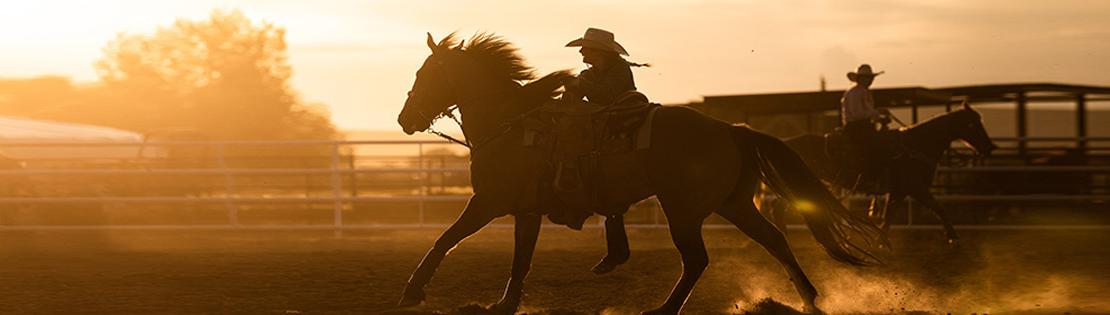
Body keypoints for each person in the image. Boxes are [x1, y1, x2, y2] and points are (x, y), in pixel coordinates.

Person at [562, 27, 648, 106]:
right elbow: (573, 98)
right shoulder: (589, 75)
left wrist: (580, 83)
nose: (581, 51)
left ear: (598, 52)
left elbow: (607, 95)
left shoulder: (620, 70)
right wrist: (570, 87)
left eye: (585, 47)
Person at [841, 64, 893, 188]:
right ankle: (868, 176)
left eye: (870, 78)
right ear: (860, 78)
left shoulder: (862, 92)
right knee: (874, 146)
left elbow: (866, 113)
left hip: (862, 126)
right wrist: (878, 113)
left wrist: (879, 117)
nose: (870, 80)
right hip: (856, 128)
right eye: (867, 78)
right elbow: (858, 114)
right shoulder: (855, 92)